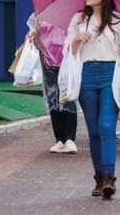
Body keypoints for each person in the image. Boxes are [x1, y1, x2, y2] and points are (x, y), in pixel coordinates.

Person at [64, 0, 120, 199]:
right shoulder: (79, 19)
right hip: (86, 75)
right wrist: (77, 41)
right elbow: (68, 50)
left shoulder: (119, 19)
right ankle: (99, 177)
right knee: (93, 131)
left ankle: (110, 177)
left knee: (106, 126)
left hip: (110, 74)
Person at [26, 15, 78, 154]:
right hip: (47, 60)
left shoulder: (70, 12)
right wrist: (31, 35)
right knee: (52, 98)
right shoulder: (40, 13)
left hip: (66, 60)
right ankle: (59, 139)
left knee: (68, 97)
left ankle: (70, 138)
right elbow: (34, 31)